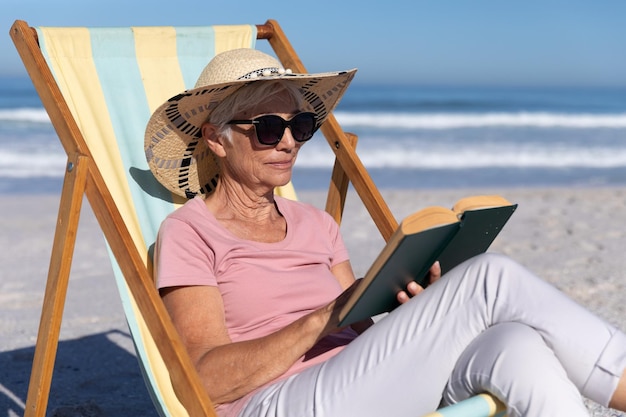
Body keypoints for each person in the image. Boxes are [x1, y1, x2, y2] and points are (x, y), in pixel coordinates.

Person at [144, 48, 626, 417]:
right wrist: (326, 315)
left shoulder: (318, 225)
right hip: (273, 402)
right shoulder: (190, 232)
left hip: (355, 388)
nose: (289, 142)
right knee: (489, 277)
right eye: (269, 128)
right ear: (215, 139)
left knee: (516, 343)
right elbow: (204, 380)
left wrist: (410, 307)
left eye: (302, 126)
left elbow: (362, 340)